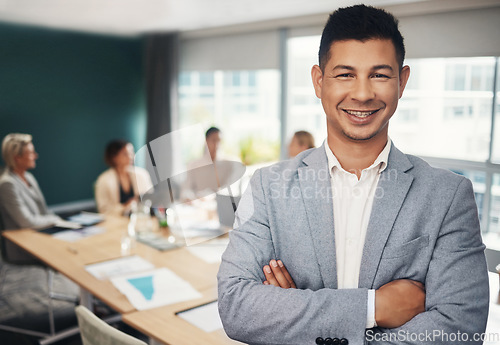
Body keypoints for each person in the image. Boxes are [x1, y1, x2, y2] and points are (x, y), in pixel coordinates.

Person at [217, 4, 489, 345]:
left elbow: (461, 330)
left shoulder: (448, 196)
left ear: (402, 82)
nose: (362, 93)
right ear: (319, 81)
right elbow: (236, 307)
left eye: (379, 75)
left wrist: (292, 315)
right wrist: (374, 306)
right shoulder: (267, 187)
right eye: (345, 74)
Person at [0, 133, 64, 261]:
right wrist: (55, 220)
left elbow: (43, 211)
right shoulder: (7, 184)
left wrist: (62, 223)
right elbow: (26, 222)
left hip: (40, 236)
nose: (35, 156)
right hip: (23, 247)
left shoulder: (29, 177)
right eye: (31, 153)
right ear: (17, 158)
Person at [95, 139, 153, 215]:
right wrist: (125, 206)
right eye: (125, 154)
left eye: (132, 153)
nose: (131, 157)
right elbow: (104, 210)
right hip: (116, 221)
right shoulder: (103, 180)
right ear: (114, 157)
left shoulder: (142, 174)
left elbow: (151, 199)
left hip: (140, 217)